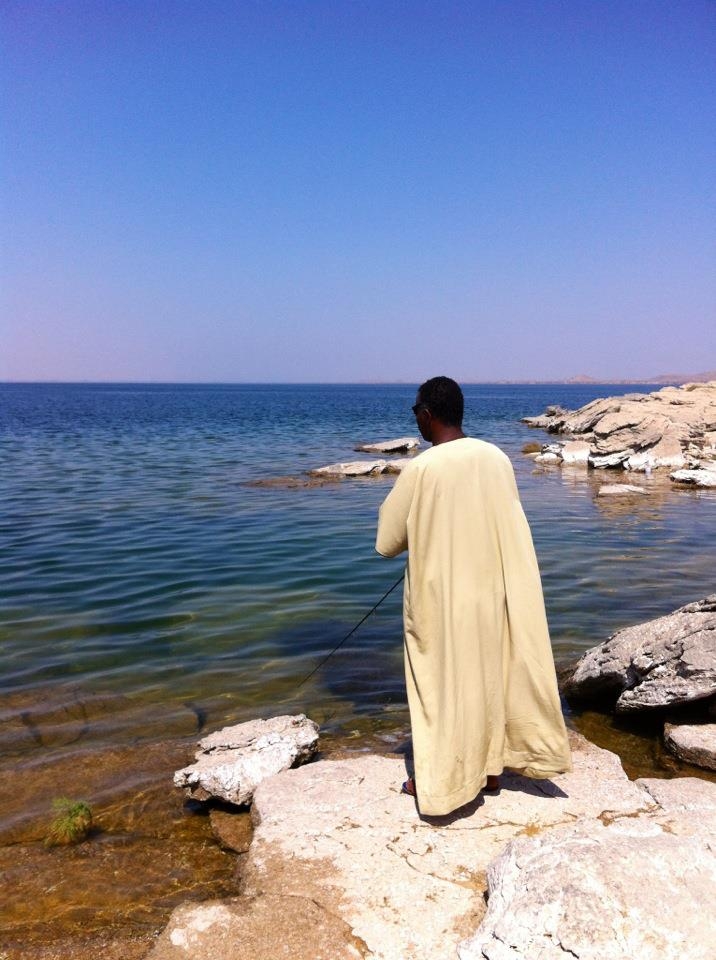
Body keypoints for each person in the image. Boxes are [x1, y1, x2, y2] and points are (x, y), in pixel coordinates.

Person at [376, 376, 572, 816]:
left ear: (426, 415)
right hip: (495, 592)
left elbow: (387, 542)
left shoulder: (424, 467)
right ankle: (491, 769)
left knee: (441, 687)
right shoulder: (497, 458)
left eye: (415, 412)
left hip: (443, 599)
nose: (416, 420)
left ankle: (441, 783)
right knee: (488, 678)